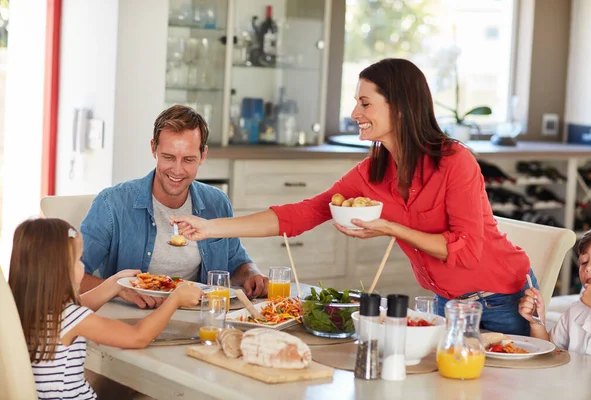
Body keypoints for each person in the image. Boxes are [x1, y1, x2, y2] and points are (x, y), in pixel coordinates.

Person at [171, 58, 537, 336]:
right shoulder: (373, 171)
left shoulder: (454, 161)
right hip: (447, 303)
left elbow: (467, 249)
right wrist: (209, 227)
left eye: (365, 103)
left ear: (400, 106)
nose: (354, 114)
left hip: (504, 300)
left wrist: (391, 228)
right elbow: (304, 213)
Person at [80, 105, 268, 309]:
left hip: (198, 319)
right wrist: (118, 288)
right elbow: (69, 278)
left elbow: (236, 263)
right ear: (154, 149)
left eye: (188, 159)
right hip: (132, 321)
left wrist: (251, 274)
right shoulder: (112, 203)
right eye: (168, 157)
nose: (177, 171)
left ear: (203, 155)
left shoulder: (218, 203)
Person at [8, 218, 203, 399]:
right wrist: (175, 299)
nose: (83, 267)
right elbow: (138, 336)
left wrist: (114, 285)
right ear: (59, 268)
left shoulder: (19, 310)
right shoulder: (71, 318)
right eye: (78, 260)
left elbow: (77, 308)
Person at [519, 226, 591, 357]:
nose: (589, 267)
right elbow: (549, 354)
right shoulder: (576, 312)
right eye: (584, 262)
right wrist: (537, 323)